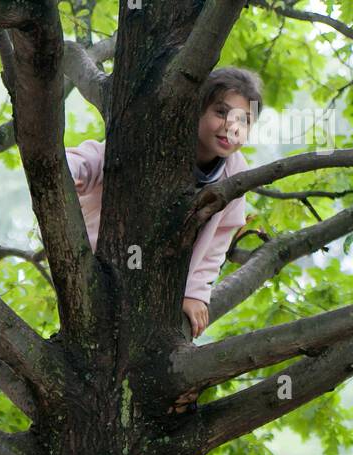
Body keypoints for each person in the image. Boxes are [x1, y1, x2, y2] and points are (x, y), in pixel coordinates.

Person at [66, 65, 264, 338]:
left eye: (244, 121)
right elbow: (97, 158)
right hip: (103, 264)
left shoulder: (234, 174)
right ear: (195, 109)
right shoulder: (156, 138)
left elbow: (218, 240)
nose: (232, 126)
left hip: (160, 282)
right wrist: (68, 169)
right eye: (221, 112)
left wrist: (194, 292)